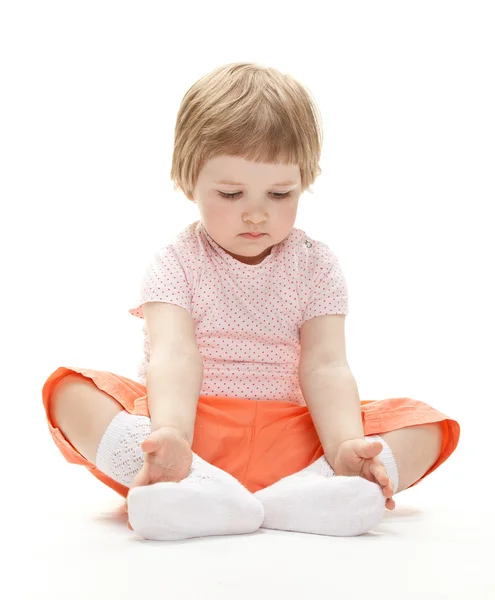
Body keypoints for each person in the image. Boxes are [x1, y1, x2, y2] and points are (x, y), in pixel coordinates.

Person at [42, 62, 460, 542]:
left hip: (294, 440)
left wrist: (345, 444)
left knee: (425, 424)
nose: (257, 212)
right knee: (68, 392)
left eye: (280, 193)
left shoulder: (316, 264)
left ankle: (324, 485)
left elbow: (326, 365)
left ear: (305, 181)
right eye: (231, 192)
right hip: (191, 434)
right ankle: (184, 482)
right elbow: (174, 354)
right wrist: (174, 436)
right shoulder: (175, 262)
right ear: (186, 181)